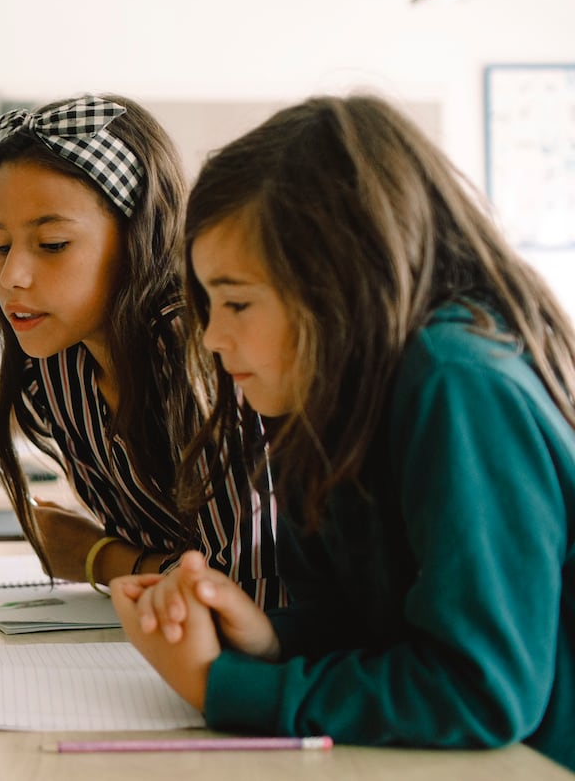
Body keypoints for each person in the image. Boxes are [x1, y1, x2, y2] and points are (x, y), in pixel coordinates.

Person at [114, 95, 574, 769]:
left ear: (340, 285)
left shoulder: (456, 383)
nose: (212, 337)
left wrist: (225, 689)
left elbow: (482, 692)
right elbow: (372, 628)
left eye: (237, 302)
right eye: (209, 306)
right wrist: (268, 641)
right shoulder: (328, 399)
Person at [0, 94, 283, 604]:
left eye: (52, 244)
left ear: (139, 238)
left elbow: (247, 591)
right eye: (0, 245)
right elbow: (177, 563)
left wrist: (96, 557)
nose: (12, 276)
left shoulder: (198, 348)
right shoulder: (54, 366)